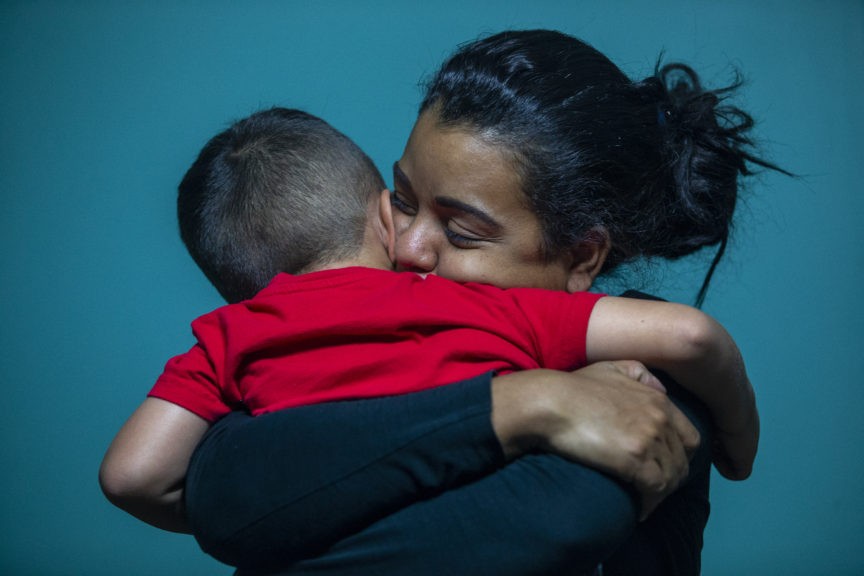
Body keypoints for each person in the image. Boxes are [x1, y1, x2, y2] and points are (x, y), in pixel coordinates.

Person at [101, 28, 777, 575]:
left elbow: (224, 493)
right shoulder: (389, 313)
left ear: (583, 257)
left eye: (459, 231)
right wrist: (523, 404)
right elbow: (222, 488)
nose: (408, 248)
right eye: (401, 200)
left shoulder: (648, 386)